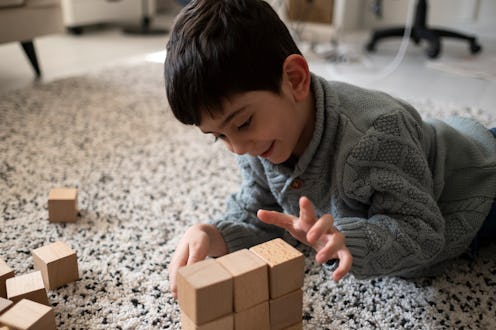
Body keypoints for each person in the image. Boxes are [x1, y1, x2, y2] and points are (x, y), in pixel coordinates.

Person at [165, 0, 496, 298]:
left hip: (477, 181)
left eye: (243, 123)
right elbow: (263, 214)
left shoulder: (377, 133)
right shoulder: (257, 145)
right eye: (218, 136)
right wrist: (213, 233)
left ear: (295, 79)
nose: (236, 148)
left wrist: (350, 238)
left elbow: (423, 234)